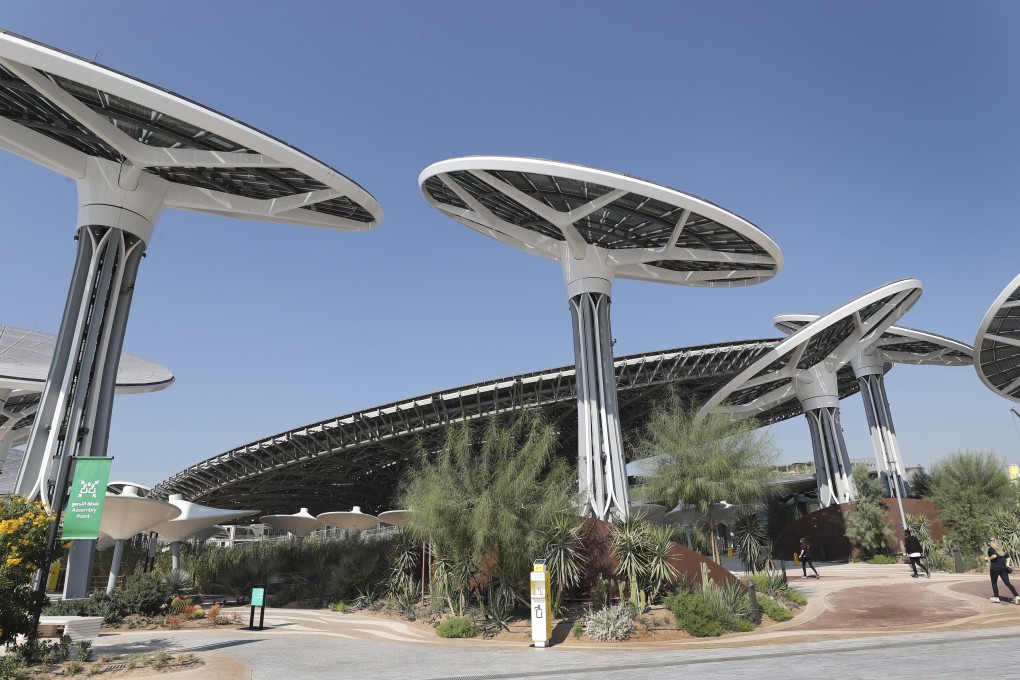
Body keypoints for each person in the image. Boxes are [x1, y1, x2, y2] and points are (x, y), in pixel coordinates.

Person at [986, 538, 1019, 604]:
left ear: (990, 543)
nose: (987, 543)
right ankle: (1016, 596)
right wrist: (1007, 565)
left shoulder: (990, 549)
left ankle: (996, 597)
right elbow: (1008, 557)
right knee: (1007, 582)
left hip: (995, 569)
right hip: (1003, 568)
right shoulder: (1001, 549)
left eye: (988, 542)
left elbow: (994, 556)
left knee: (994, 583)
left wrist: (988, 558)